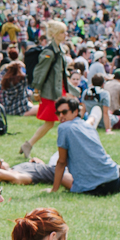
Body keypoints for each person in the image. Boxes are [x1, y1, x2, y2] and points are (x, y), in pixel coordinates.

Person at [50, 96, 120, 196]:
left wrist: (54, 189)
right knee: (117, 170)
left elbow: (62, 161)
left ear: (75, 112)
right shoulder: (87, 127)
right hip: (114, 179)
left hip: (92, 188)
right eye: (58, 113)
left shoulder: (63, 127)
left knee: (64, 176)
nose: (61, 116)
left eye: (64, 112)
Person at [20, 20, 68, 159]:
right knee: (54, 122)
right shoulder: (50, 51)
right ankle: (29, 144)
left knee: (54, 123)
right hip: (51, 92)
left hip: (58, 90)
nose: (65, 35)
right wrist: (36, 91)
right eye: (62, 32)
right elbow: (40, 73)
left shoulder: (58, 50)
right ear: (54, 34)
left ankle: (28, 144)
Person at [0, 156, 73, 190]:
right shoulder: (16, 175)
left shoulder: (15, 169)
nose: (3, 159)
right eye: (0, 161)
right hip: (60, 172)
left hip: (56, 166)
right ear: (0, 168)